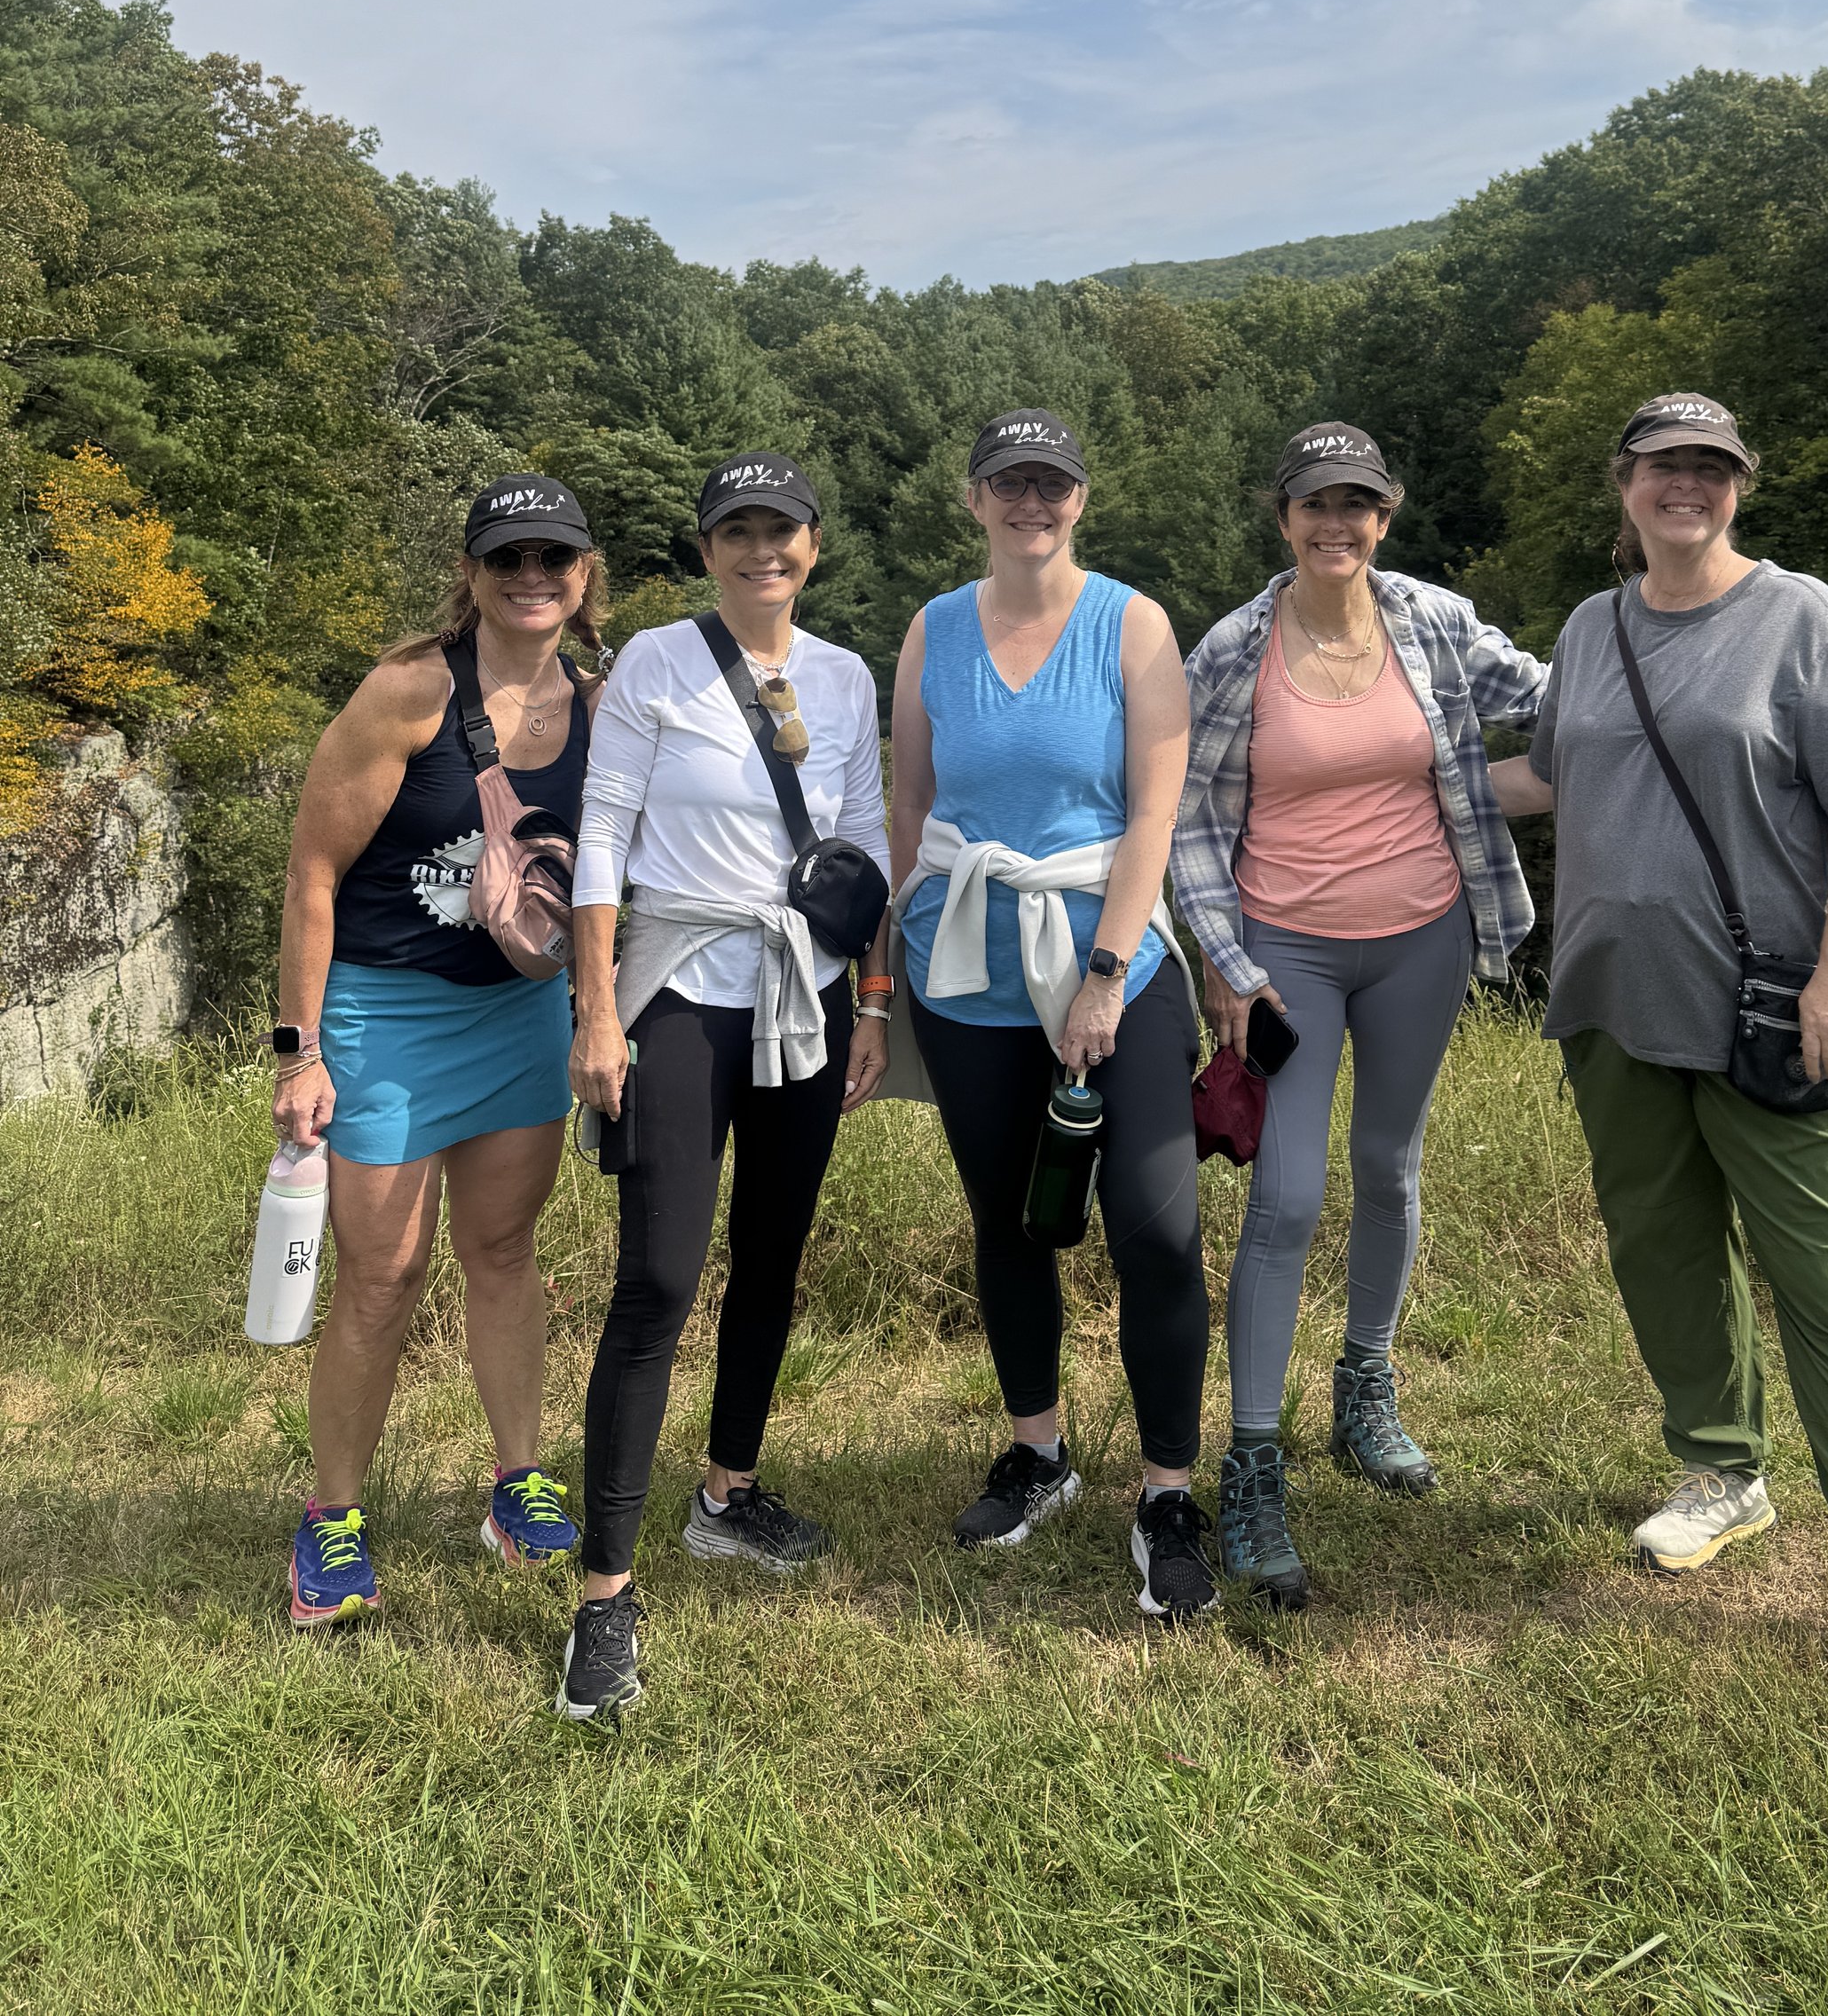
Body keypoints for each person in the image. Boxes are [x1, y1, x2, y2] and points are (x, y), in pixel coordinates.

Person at [1487, 390, 1828, 1747]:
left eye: (1712, 469)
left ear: (1740, 487)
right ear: (1625, 482)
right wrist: (1357, 773)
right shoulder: (1592, 631)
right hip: (1612, 1004)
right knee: (1660, 1249)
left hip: (1780, 1017)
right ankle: (1722, 1468)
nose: (1688, 488)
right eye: (1666, 466)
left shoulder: (1803, 618)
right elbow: (1548, 775)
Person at [1174, 421, 1548, 1608]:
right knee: (1283, 1197)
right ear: (1282, 517)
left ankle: (1366, 1389)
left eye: (1359, 504)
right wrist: (1227, 963)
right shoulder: (1234, 648)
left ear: (1387, 514)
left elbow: (1561, 698)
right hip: (1286, 957)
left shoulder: (1434, 621)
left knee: (1389, 1164)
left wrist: (1660, 676)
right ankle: (1252, 1460)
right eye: (1314, 504)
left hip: (1423, 938)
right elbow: (1184, 816)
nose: (1337, 523)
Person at [557, 453, 892, 1728]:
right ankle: (605, 1591)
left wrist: (872, 1002)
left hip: (803, 989)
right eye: (737, 531)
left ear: (814, 544)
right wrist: (597, 1006)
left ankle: (728, 1491)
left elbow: (861, 853)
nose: (763, 550)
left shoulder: (850, 676)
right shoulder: (653, 660)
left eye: (783, 530)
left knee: (773, 1253)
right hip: (684, 981)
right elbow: (601, 834)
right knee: (659, 1276)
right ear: (708, 548)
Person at [886, 409, 1215, 1620]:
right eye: (1011, 483)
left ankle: (1170, 1490)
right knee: (1010, 1219)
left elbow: (1151, 813)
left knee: (1155, 1227)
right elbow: (908, 801)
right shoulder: (931, 631)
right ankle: (1039, 1451)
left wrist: (1105, 972)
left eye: (1054, 484)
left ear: (1082, 497)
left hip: (1108, 948)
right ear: (973, 497)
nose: (1034, 502)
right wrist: (883, 974)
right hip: (964, 956)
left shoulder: (1133, 625)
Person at [272, 475, 606, 1626]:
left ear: (583, 574)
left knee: (503, 1249)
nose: (531, 578)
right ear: (468, 573)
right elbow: (313, 870)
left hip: (516, 1014)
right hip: (387, 1013)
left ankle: (518, 1482)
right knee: (382, 1274)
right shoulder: (408, 692)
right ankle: (334, 1517)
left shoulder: (599, 708)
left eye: (552, 559)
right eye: (507, 558)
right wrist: (298, 1050)